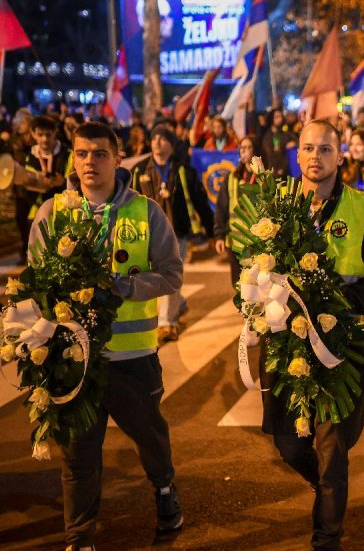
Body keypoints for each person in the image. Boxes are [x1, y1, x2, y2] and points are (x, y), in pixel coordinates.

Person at [29, 122, 184, 550]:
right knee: (78, 456)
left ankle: (165, 490)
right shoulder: (51, 213)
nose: (89, 162)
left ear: (119, 159)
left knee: (150, 438)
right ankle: (79, 537)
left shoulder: (146, 211)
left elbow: (172, 274)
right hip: (73, 361)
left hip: (132, 357)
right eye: (82, 154)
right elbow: (35, 281)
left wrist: (125, 286)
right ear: (72, 159)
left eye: (99, 153)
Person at [261, 119, 364, 551]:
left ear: (340, 156)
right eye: (308, 149)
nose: (315, 157)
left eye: (325, 149)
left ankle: (327, 539)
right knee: (288, 444)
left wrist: (337, 301)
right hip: (288, 345)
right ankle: (326, 488)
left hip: (349, 347)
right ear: (297, 155)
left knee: (333, 445)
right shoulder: (276, 208)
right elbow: (254, 272)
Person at [130, 125, 214, 344]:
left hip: (177, 231)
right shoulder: (139, 170)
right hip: (146, 232)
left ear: (171, 144)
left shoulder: (184, 170)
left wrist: (213, 230)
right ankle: (177, 303)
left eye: (163, 138)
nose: (157, 142)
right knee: (151, 275)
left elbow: (199, 201)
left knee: (170, 276)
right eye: (154, 138)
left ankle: (167, 323)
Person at [15, 115, 73, 263]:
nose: (44, 139)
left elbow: (71, 182)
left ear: (55, 133)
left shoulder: (67, 155)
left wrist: (60, 183)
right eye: (40, 135)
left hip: (61, 210)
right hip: (37, 209)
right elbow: (25, 183)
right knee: (38, 253)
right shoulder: (29, 157)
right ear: (33, 134)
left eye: (48, 135)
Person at [213, 136, 259, 285]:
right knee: (239, 284)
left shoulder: (265, 177)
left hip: (258, 242)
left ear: (256, 150)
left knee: (258, 285)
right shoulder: (232, 177)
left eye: (248, 147)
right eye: (242, 148)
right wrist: (219, 235)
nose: (244, 151)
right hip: (235, 242)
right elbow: (221, 208)